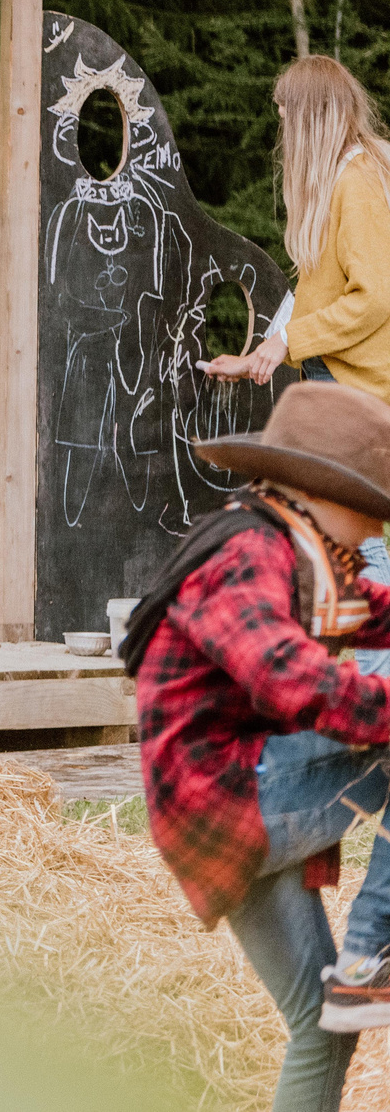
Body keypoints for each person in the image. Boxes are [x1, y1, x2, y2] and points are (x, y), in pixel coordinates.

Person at [123, 382, 390, 1112]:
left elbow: (376, 612)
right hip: (232, 794)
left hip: (226, 816)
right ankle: (374, 950)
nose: (373, 533)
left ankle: (361, 974)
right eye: (368, 508)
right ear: (318, 488)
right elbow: (285, 676)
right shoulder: (245, 552)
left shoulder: (297, 549)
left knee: (323, 1024)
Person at [201, 55, 390, 675]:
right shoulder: (336, 182)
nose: (282, 131)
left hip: (362, 389)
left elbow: (374, 297)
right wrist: (263, 352)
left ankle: (370, 692)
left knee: (360, 536)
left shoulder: (357, 180)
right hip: (337, 381)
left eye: (286, 116)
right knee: (340, 534)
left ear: (309, 117)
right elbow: (316, 293)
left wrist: (291, 343)